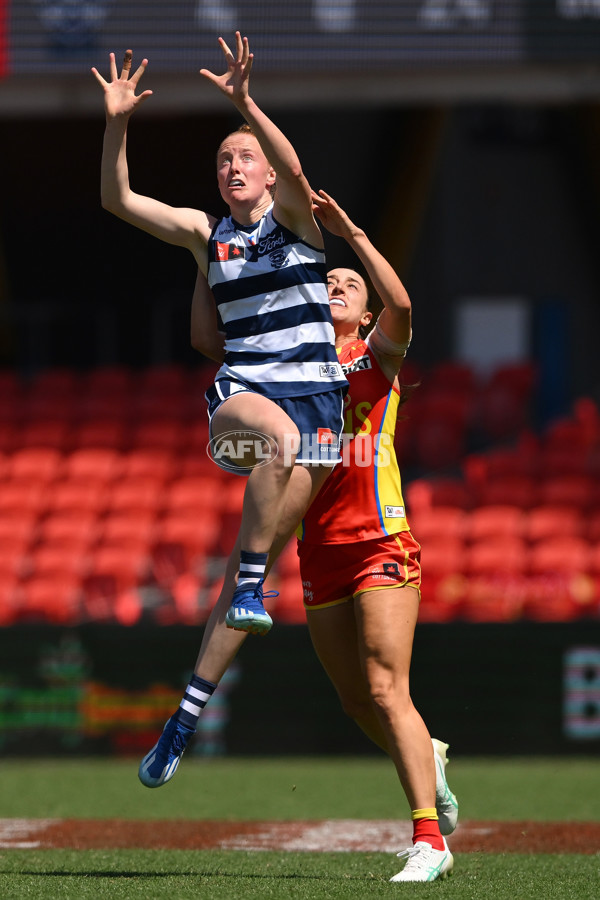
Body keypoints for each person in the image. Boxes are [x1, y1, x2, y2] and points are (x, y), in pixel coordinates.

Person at [141, 190, 458, 883]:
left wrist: (353, 235)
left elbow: (402, 310)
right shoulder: (292, 363)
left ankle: (429, 838)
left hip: (379, 539)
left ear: (364, 314)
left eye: (350, 285)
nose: (338, 285)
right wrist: (205, 258)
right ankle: (427, 757)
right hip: (317, 549)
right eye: (331, 280)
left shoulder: (375, 360)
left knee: (382, 687)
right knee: (353, 698)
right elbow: (209, 340)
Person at [91, 33, 347, 646]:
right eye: (225, 160)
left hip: (317, 395)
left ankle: (188, 711)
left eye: (244, 158)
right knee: (278, 443)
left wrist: (246, 104)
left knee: (291, 490)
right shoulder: (205, 233)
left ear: (265, 176)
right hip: (246, 390)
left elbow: (295, 169)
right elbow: (116, 199)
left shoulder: (296, 224)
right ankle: (251, 586)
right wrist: (117, 127)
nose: (234, 166)